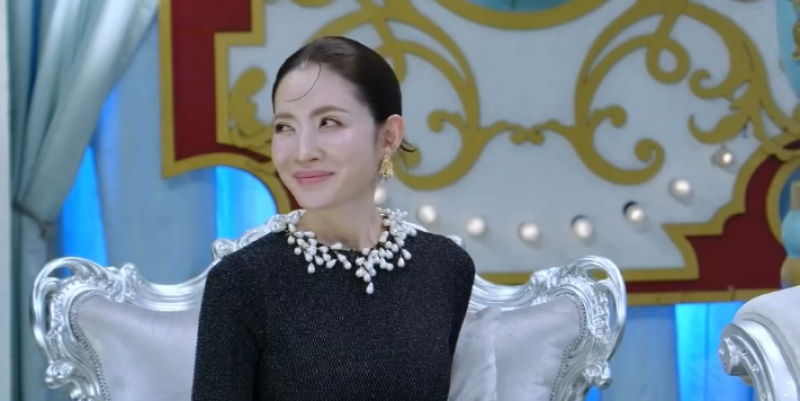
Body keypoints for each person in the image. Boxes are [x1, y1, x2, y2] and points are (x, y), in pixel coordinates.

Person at [191, 36, 476, 401]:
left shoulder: (445, 268)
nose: (303, 152)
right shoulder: (242, 283)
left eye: (328, 122)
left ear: (388, 137)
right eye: (284, 126)